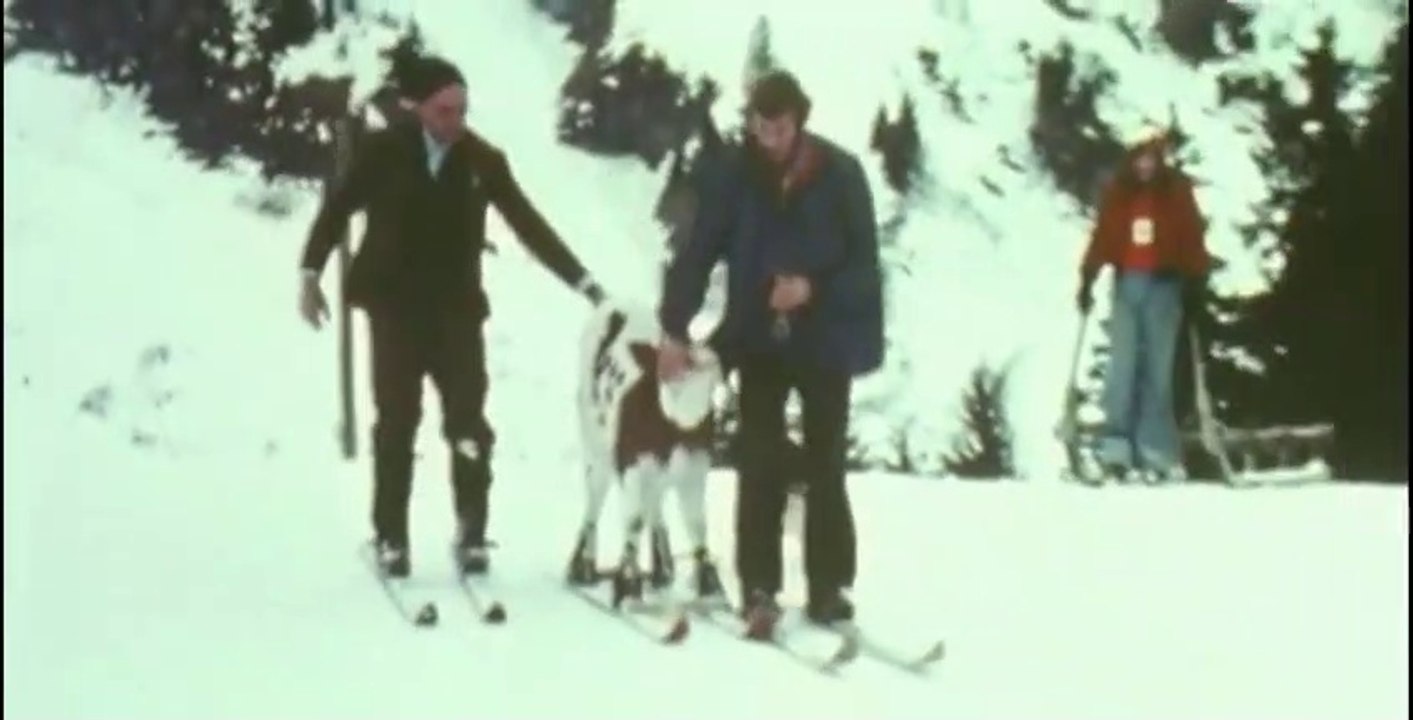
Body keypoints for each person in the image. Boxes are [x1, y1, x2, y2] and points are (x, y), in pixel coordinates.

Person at [297, 56, 605, 578]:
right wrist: (310, 272)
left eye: (462, 110)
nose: (455, 121)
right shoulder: (384, 152)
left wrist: (585, 284)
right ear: (418, 108)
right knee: (397, 422)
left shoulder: (483, 161)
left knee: (468, 423)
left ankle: (472, 533)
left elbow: (527, 223)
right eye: (444, 110)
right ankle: (391, 537)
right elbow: (338, 209)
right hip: (394, 309)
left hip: (456, 313)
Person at [656, 69, 885, 629]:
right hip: (758, 335)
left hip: (827, 336)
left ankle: (829, 587)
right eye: (761, 126)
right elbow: (699, 249)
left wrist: (811, 288)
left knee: (825, 459)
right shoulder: (733, 176)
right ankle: (759, 586)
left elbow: (864, 266)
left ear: (798, 121)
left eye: (779, 127)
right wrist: (673, 327)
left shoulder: (841, 174)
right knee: (758, 457)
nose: (770, 138)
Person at [1077, 127, 1211, 483]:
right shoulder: (1119, 192)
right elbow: (1104, 235)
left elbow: (1191, 236)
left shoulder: (1176, 192)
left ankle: (1155, 450)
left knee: (1157, 368)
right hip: (1128, 283)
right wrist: (1089, 273)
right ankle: (1117, 447)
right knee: (1122, 366)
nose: (1145, 165)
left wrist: (1196, 281)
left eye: (1152, 157)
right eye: (1140, 157)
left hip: (1165, 285)